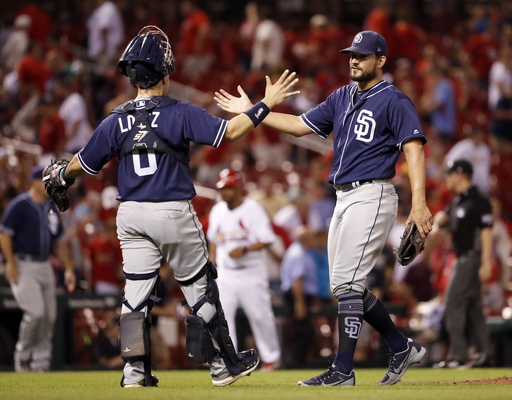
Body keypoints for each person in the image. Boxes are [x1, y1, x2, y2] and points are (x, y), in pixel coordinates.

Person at [51, 26, 298, 388]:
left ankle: (134, 373)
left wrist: (60, 176)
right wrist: (266, 104)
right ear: (164, 73)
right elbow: (230, 132)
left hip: (130, 214)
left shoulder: (114, 119)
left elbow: (80, 164)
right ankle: (222, 365)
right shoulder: (178, 112)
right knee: (201, 291)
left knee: (135, 295)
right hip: (171, 209)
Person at [215, 30, 433, 386]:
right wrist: (255, 111)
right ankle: (400, 346)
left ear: (380, 61)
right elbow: (299, 126)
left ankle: (343, 370)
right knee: (342, 285)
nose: (354, 60)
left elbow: (413, 150)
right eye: (351, 54)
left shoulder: (394, 100)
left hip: (373, 193)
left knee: (348, 281)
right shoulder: (341, 96)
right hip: (343, 197)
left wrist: (419, 203)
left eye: (362, 56)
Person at [0, 166, 76, 372]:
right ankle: (23, 357)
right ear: (35, 182)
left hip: (45, 265)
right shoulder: (19, 205)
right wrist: (10, 264)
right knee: (35, 313)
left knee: (49, 316)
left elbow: (60, 242)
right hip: (23, 263)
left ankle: (41, 363)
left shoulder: (51, 206)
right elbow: (4, 235)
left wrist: (68, 268)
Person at [207, 169, 281, 371]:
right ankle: (228, 360)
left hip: (251, 271)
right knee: (223, 317)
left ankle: (271, 358)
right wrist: (212, 264)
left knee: (260, 315)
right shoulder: (217, 210)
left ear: (239, 188)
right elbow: (213, 239)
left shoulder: (253, 209)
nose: (225, 193)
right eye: (223, 188)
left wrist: (245, 249)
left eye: (229, 188)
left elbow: (267, 239)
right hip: (226, 274)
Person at [431, 160, 493, 368]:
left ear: (460, 174)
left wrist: (485, 263)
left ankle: (458, 355)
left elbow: (486, 233)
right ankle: (484, 355)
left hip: (472, 258)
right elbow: (444, 219)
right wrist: (440, 218)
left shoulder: (479, 201)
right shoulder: (457, 201)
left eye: (450, 174)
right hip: (462, 258)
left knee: (453, 303)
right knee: (474, 308)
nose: (447, 178)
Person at [280, 225, 318, 368]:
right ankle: (295, 363)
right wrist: (299, 303)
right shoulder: (298, 253)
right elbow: (297, 280)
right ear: (307, 239)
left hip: (299, 296)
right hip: (296, 296)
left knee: (301, 331)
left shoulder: (300, 251)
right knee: (301, 331)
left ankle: (296, 362)